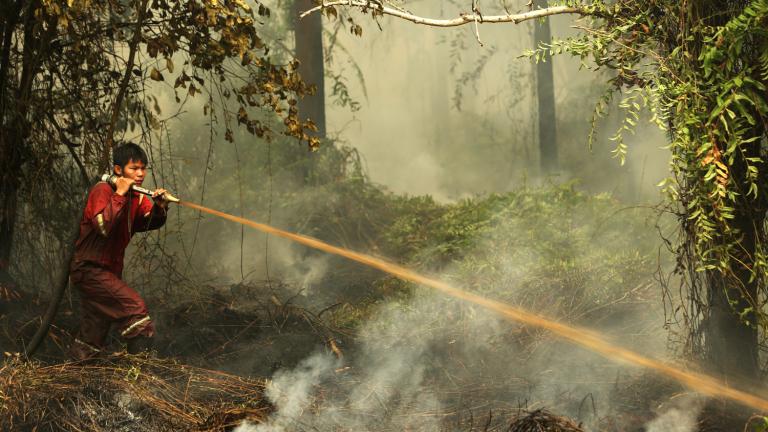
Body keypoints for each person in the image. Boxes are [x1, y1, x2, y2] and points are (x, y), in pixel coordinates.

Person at [69, 142, 170, 360]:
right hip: (89, 271)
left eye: (143, 168)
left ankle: (77, 380)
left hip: (108, 273)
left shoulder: (138, 197)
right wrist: (120, 194)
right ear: (118, 170)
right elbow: (103, 226)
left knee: (92, 335)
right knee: (135, 311)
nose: (140, 174)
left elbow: (145, 223)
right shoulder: (102, 190)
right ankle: (139, 380)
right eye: (134, 168)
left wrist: (159, 207)